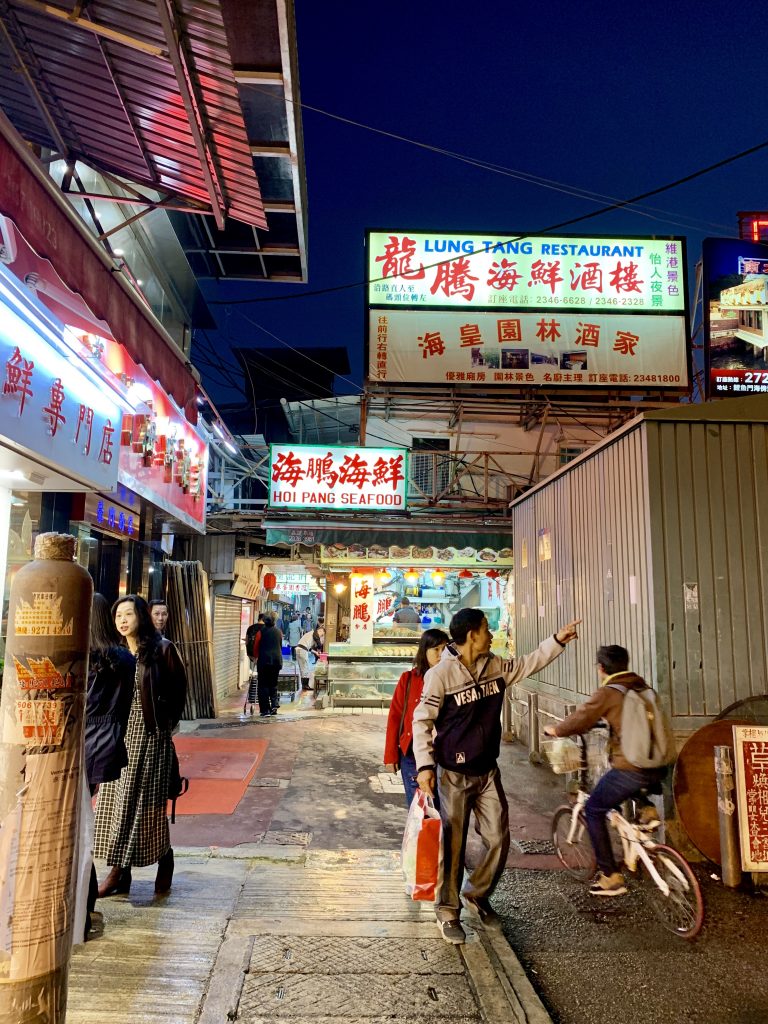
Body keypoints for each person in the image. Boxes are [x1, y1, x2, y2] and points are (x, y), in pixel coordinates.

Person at [412, 607, 580, 945]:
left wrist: (557, 641)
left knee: (499, 838)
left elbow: (529, 662)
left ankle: (476, 895)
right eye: (486, 629)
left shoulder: (495, 666)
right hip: (453, 775)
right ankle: (447, 911)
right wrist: (425, 767)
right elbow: (421, 721)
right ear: (471, 634)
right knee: (453, 844)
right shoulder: (440, 675)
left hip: (488, 770)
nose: (491, 634)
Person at [543, 644, 666, 897]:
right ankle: (646, 809)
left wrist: (556, 730)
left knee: (594, 808)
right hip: (660, 765)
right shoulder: (642, 687)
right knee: (619, 790)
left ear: (601, 668)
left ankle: (611, 875)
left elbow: (582, 717)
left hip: (632, 768)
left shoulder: (609, 692)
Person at [94, 595, 187, 898]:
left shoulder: (162, 649)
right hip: (119, 733)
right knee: (115, 805)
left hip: (149, 735)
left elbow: (178, 691)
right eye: (117, 615)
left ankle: (164, 858)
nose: (122, 620)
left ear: (141, 617)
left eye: (128, 614)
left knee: (145, 807)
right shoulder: (117, 653)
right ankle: (122, 872)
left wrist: (163, 726)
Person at [84, 594, 136, 937]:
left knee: (76, 822)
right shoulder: (124, 657)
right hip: (111, 741)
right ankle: (86, 900)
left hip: (86, 742)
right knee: (84, 820)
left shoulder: (90, 657)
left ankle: (83, 901)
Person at [383, 628, 450, 806]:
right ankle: (422, 835)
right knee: (421, 809)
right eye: (436, 649)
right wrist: (391, 755)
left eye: (445, 649)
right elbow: (395, 716)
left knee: (445, 811)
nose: (440, 654)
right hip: (413, 754)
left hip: (446, 756)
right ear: (424, 651)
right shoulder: (409, 679)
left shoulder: (453, 679)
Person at [256, 614, 283, 716]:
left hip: (264, 661)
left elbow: (256, 646)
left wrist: (255, 656)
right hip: (276, 661)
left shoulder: (261, 632)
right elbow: (279, 645)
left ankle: (265, 709)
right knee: (273, 683)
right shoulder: (278, 632)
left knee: (263, 685)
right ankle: (274, 706)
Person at [244, 613, 265, 714]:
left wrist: (249, 654)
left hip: (252, 655)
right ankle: (260, 701)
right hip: (262, 656)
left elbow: (247, 641)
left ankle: (252, 699)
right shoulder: (266, 628)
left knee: (253, 674)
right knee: (262, 678)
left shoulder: (250, 627)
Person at [294, 623, 324, 691]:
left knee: (302, 668)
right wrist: (319, 649)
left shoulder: (311, 634)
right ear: (320, 630)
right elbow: (318, 643)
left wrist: (316, 652)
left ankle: (304, 685)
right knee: (305, 668)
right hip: (302, 651)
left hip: (299, 649)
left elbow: (308, 648)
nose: (321, 636)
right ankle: (306, 685)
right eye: (322, 634)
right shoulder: (315, 633)